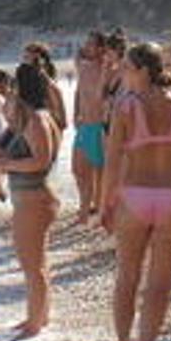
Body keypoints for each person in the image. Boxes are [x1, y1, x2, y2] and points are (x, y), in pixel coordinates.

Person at [100, 42, 171, 341]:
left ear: (142, 71)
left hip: (135, 196)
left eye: (126, 67)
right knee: (160, 283)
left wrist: (106, 204)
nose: (121, 72)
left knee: (127, 275)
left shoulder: (125, 106)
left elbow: (112, 162)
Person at [0, 63, 62, 339]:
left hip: (35, 198)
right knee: (36, 262)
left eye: (14, 86)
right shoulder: (31, 117)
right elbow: (11, 123)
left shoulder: (38, 120)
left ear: (22, 88)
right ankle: (39, 316)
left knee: (32, 264)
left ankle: (35, 322)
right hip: (33, 198)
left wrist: (7, 164)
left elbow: (40, 161)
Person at [72, 31, 108, 224]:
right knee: (77, 170)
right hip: (84, 125)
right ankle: (87, 207)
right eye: (86, 43)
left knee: (99, 172)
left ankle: (92, 211)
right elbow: (79, 91)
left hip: (100, 126)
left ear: (102, 49)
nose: (87, 47)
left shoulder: (107, 69)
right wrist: (74, 112)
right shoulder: (83, 67)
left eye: (91, 44)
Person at [23, 42, 67, 130]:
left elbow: (56, 94)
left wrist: (62, 118)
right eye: (24, 57)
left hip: (44, 119)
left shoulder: (43, 74)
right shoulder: (31, 73)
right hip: (37, 119)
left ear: (37, 56)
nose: (24, 59)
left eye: (27, 56)